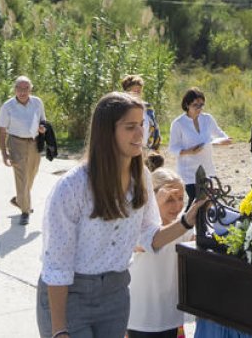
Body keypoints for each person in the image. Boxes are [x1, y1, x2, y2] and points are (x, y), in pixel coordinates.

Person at [38, 92, 206, 338]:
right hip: (69, 296)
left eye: (141, 125)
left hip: (115, 297)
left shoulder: (142, 179)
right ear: (107, 132)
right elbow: (57, 265)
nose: (141, 134)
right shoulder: (71, 187)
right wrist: (59, 330)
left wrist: (186, 220)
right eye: (130, 127)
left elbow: (150, 237)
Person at [127, 168, 192, 338]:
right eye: (169, 199)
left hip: (172, 316)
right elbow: (144, 243)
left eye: (180, 198)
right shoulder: (139, 225)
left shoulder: (181, 225)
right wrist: (153, 205)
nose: (177, 206)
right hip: (141, 320)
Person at [0, 76, 46, 226]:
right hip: (16, 142)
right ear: (15, 89)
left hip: (34, 142)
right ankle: (25, 211)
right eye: (19, 88)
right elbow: (2, 131)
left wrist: (43, 128)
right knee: (22, 177)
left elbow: (43, 120)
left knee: (31, 174)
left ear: (30, 89)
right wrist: (4, 153)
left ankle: (20, 199)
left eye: (26, 88)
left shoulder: (37, 102)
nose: (22, 92)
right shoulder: (8, 106)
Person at [167, 88, 231, 202]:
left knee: (206, 201)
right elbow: (172, 148)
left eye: (201, 105)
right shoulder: (178, 123)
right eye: (195, 105)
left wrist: (224, 140)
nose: (199, 108)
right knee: (195, 201)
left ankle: (198, 220)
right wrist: (189, 151)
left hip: (207, 168)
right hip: (189, 171)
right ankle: (184, 219)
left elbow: (219, 134)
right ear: (187, 104)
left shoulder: (207, 118)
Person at [121, 75, 160, 152]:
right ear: (125, 92)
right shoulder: (121, 109)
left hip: (146, 150)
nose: (136, 94)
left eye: (139, 91)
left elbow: (155, 129)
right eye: (133, 91)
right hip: (127, 151)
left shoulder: (148, 108)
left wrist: (155, 149)